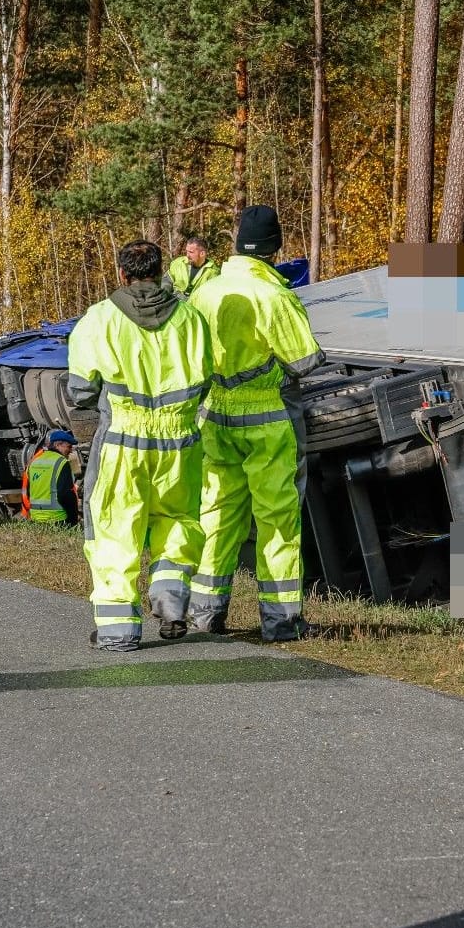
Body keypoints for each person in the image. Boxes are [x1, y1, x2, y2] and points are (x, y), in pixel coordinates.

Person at [186, 205, 324, 640]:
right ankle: (281, 621)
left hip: (214, 416)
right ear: (274, 247)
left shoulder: (205, 291)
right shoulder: (275, 296)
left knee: (217, 513)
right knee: (277, 519)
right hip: (266, 419)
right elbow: (305, 360)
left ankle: (205, 613)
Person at [67, 240, 214, 649]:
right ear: (158, 270)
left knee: (115, 529)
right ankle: (170, 600)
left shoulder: (99, 319)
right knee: (179, 519)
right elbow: (205, 379)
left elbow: (80, 391)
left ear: (121, 275)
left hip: (122, 442)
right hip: (180, 441)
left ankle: (118, 631)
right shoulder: (190, 317)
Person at [21, 428, 80, 526]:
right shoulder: (61, 462)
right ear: (57, 445)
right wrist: (73, 520)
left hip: (36, 518)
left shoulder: (35, 461)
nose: (70, 451)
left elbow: (27, 490)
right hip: (57, 518)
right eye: (69, 447)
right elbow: (65, 494)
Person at [165, 234, 218, 298]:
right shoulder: (178, 263)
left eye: (191, 252)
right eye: (187, 251)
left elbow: (210, 296)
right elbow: (166, 281)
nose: (187, 255)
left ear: (202, 254)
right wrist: (165, 296)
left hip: (195, 305)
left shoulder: (213, 272)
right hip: (173, 302)